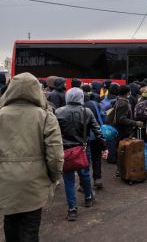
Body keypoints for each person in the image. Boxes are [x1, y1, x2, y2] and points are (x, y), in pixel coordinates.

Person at [0, 73, 64, 241]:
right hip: (34, 183)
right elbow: (56, 156)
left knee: (10, 221)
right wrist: (53, 178)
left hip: (5, 181)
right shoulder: (45, 116)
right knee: (30, 227)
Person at [55, 88, 108, 221]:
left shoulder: (58, 111)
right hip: (83, 149)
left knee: (68, 180)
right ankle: (88, 197)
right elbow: (97, 131)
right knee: (84, 174)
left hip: (65, 150)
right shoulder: (87, 111)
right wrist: (104, 147)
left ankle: (72, 209)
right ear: (81, 97)